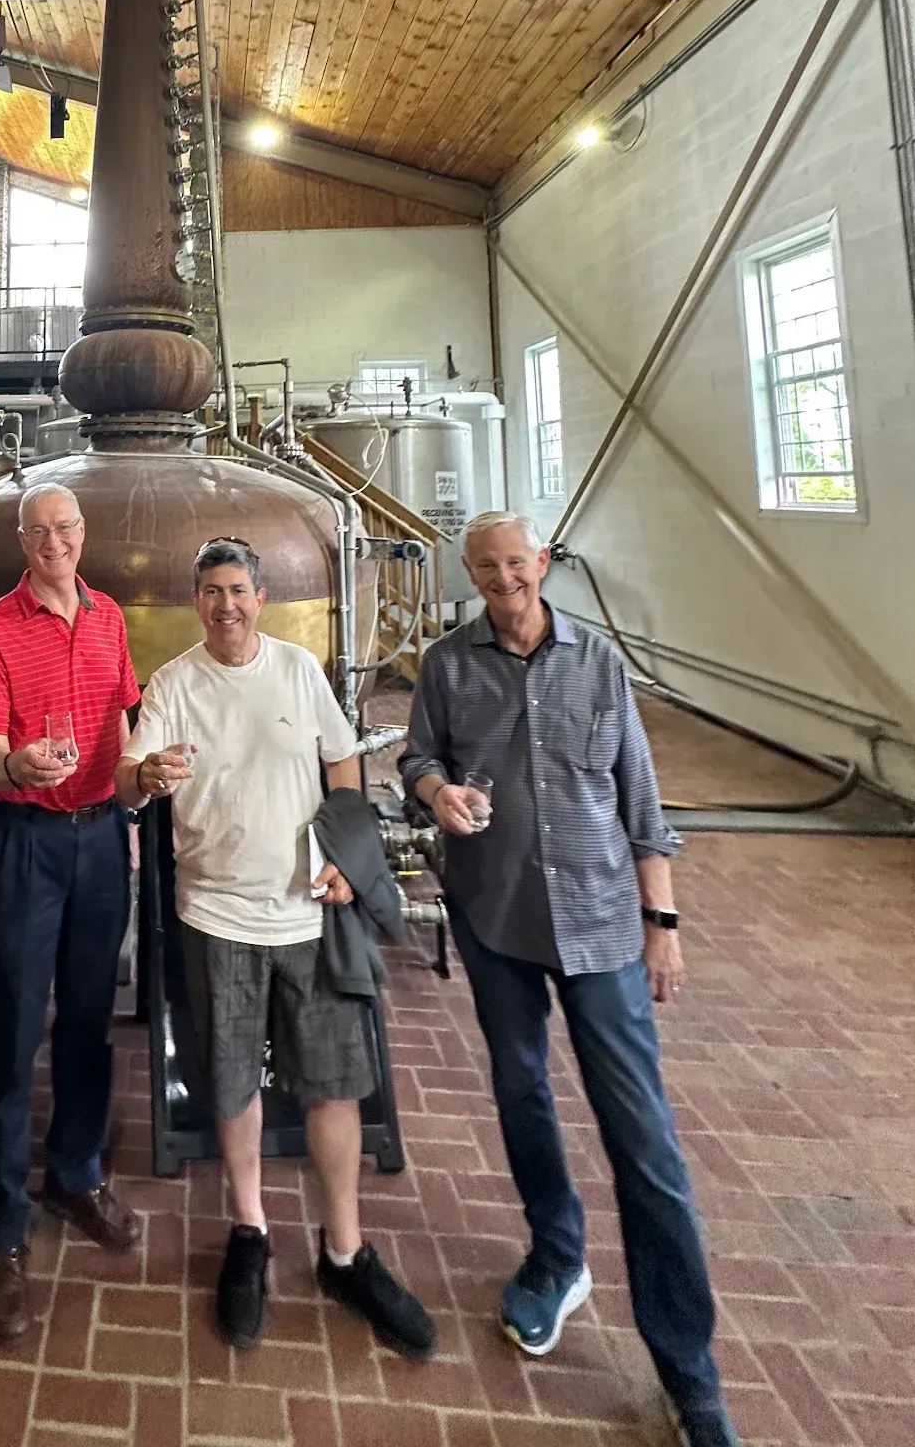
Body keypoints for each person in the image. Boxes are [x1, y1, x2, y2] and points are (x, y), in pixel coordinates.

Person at [399, 510, 740, 1447]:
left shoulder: (598, 662)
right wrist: (436, 793)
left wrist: (662, 923)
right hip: (495, 916)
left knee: (645, 1140)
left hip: (600, 924)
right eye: (486, 567)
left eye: (516, 562)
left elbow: (641, 797)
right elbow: (418, 756)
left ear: (541, 562)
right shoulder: (448, 664)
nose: (504, 579)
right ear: (469, 572)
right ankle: (556, 1257)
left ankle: (690, 1375)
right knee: (521, 1091)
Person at [116, 537, 436, 1362]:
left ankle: (345, 1250)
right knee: (231, 1083)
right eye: (211, 591)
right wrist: (147, 776)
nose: (225, 605)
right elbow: (128, 776)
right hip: (216, 915)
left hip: (308, 917)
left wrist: (346, 856)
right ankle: (250, 1229)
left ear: (259, 598)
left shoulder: (298, 670)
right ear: (197, 601)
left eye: (238, 590)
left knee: (334, 1085)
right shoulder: (174, 684)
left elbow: (343, 765)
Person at [0, 481, 141, 1344]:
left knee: (88, 1021)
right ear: (23, 540)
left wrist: (138, 790)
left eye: (65, 528)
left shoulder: (109, 618)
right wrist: (16, 767)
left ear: (83, 531)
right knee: (13, 1028)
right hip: (25, 841)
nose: (54, 543)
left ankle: (75, 1172)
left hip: (101, 837)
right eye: (39, 532)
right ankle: (3, 1226)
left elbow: (124, 725)